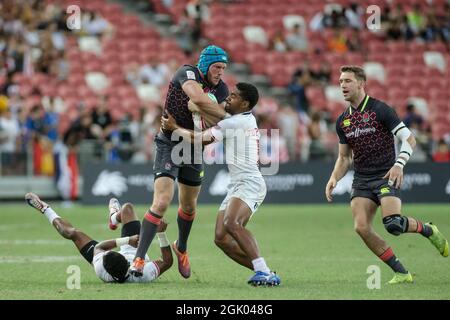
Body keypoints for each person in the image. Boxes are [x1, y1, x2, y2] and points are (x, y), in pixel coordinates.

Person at [325, 65, 448, 284]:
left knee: (394, 225)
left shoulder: (380, 109)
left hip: (386, 174)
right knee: (361, 227)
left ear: (361, 83)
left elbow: (409, 139)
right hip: (362, 179)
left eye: (347, 81)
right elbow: (344, 157)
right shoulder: (342, 120)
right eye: (341, 81)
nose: (342, 85)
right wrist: (334, 177)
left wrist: (399, 164)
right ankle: (402, 272)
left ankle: (428, 229)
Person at [161, 82, 281, 286]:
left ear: (244, 104)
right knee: (221, 238)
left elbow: (200, 139)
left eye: (233, 96)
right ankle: (265, 271)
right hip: (238, 184)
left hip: (249, 183)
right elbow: (218, 117)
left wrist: (174, 128)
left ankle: (263, 271)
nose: (228, 98)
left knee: (231, 224)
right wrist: (200, 107)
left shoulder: (234, 123)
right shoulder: (243, 119)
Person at [130, 45, 229, 278]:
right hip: (169, 142)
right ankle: (139, 258)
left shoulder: (222, 88)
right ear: (205, 65)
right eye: (217, 67)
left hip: (194, 146)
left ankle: (181, 247)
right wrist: (214, 112)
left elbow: (217, 125)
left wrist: (215, 114)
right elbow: (198, 100)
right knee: (162, 201)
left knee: (189, 206)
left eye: (224, 68)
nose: (221, 73)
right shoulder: (187, 73)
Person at [24, 193, 173, 283]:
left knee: (73, 233)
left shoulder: (101, 268)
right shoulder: (143, 274)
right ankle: (114, 218)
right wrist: (161, 233)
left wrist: (127, 240)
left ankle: (45, 209)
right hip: (134, 251)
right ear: (128, 263)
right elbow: (167, 262)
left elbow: (99, 248)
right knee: (127, 208)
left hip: (123, 247)